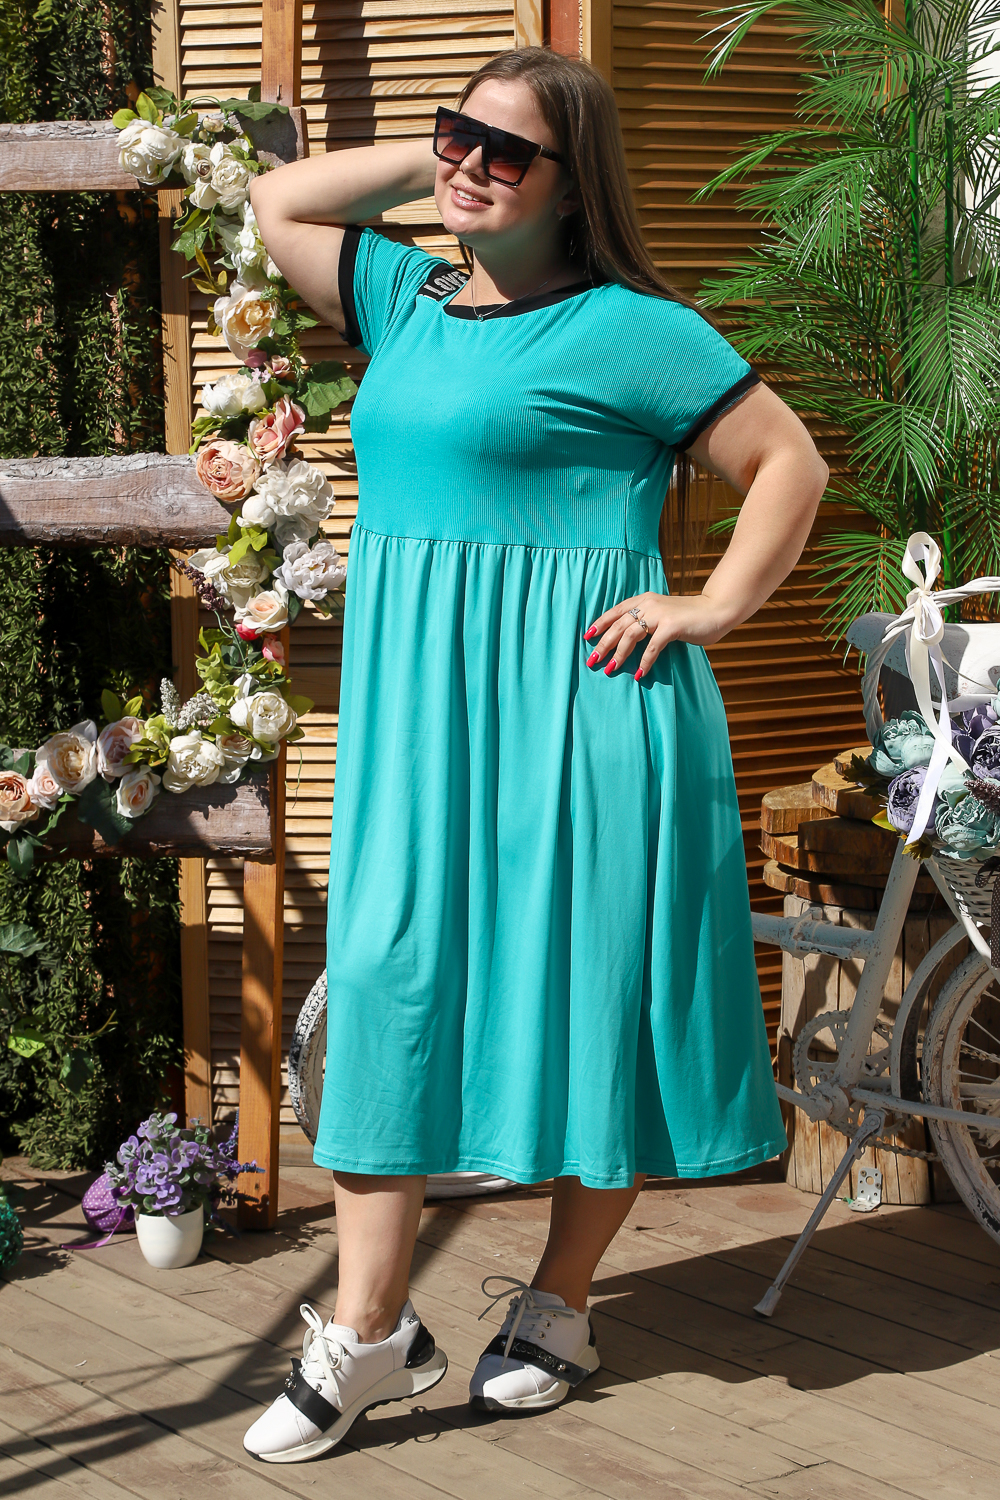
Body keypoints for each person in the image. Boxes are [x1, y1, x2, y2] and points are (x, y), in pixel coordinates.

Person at [243, 45, 827, 1464]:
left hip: (590, 710)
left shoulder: (637, 330)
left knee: (592, 996)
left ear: (577, 187)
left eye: (509, 154)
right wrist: (443, 159)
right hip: (422, 719)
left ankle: (558, 1305)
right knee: (384, 977)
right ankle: (372, 1331)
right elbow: (279, 203)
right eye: (460, 135)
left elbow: (789, 464)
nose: (470, 164)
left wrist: (712, 605)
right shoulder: (404, 295)